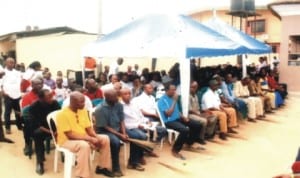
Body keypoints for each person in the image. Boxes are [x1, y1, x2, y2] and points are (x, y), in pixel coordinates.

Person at [56, 91, 113, 178]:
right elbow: (70, 135)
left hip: (83, 137)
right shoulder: (62, 114)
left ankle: (102, 167)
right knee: (84, 145)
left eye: (84, 101)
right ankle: (82, 175)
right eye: (81, 102)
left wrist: (95, 137)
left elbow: (89, 129)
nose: (84, 104)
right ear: (73, 102)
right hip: (67, 141)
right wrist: (89, 139)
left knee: (105, 138)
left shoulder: (83, 111)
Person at [157, 84, 202, 160]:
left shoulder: (172, 97)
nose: (174, 92)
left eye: (175, 90)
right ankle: (175, 150)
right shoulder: (162, 100)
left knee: (197, 125)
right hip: (169, 121)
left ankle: (189, 143)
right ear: (167, 90)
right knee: (184, 130)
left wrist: (183, 117)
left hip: (177, 118)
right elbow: (168, 114)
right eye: (172, 90)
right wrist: (174, 101)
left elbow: (177, 111)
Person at [94, 89, 127, 177]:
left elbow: (121, 120)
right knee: (115, 142)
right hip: (104, 131)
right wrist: (120, 135)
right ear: (107, 97)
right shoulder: (100, 109)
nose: (116, 98)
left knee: (136, 135)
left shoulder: (119, 105)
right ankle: (116, 167)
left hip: (118, 129)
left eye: (116, 96)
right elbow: (105, 126)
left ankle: (134, 161)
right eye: (114, 97)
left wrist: (124, 133)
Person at [28, 89, 60, 175]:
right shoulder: (34, 107)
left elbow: (60, 118)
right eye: (49, 97)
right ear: (41, 99)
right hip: (42, 129)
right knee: (37, 135)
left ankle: (67, 154)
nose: (52, 98)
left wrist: (57, 130)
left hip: (54, 128)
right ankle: (40, 162)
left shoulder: (55, 103)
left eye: (51, 96)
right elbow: (37, 125)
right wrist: (51, 132)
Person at [120, 88, 147, 171]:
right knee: (137, 137)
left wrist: (146, 121)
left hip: (137, 125)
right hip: (126, 128)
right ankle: (133, 162)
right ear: (121, 96)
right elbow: (122, 122)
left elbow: (140, 115)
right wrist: (137, 125)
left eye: (129, 93)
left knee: (144, 136)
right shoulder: (119, 106)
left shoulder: (134, 104)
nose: (128, 95)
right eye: (125, 94)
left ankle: (139, 156)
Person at [21, 78, 44, 156]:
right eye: (37, 84)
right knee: (27, 125)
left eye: (41, 84)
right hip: (32, 120)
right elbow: (26, 113)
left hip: (43, 119)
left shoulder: (44, 95)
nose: (40, 86)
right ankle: (27, 144)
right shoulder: (27, 96)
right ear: (32, 85)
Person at [2, 57, 23, 134]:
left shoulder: (17, 73)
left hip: (17, 95)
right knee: (7, 113)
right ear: (6, 63)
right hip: (8, 96)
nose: (11, 64)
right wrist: (3, 93)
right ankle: (8, 128)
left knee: (18, 112)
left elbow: (20, 83)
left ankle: (19, 126)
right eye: (10, 62)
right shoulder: (2, 72)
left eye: (13, 62)